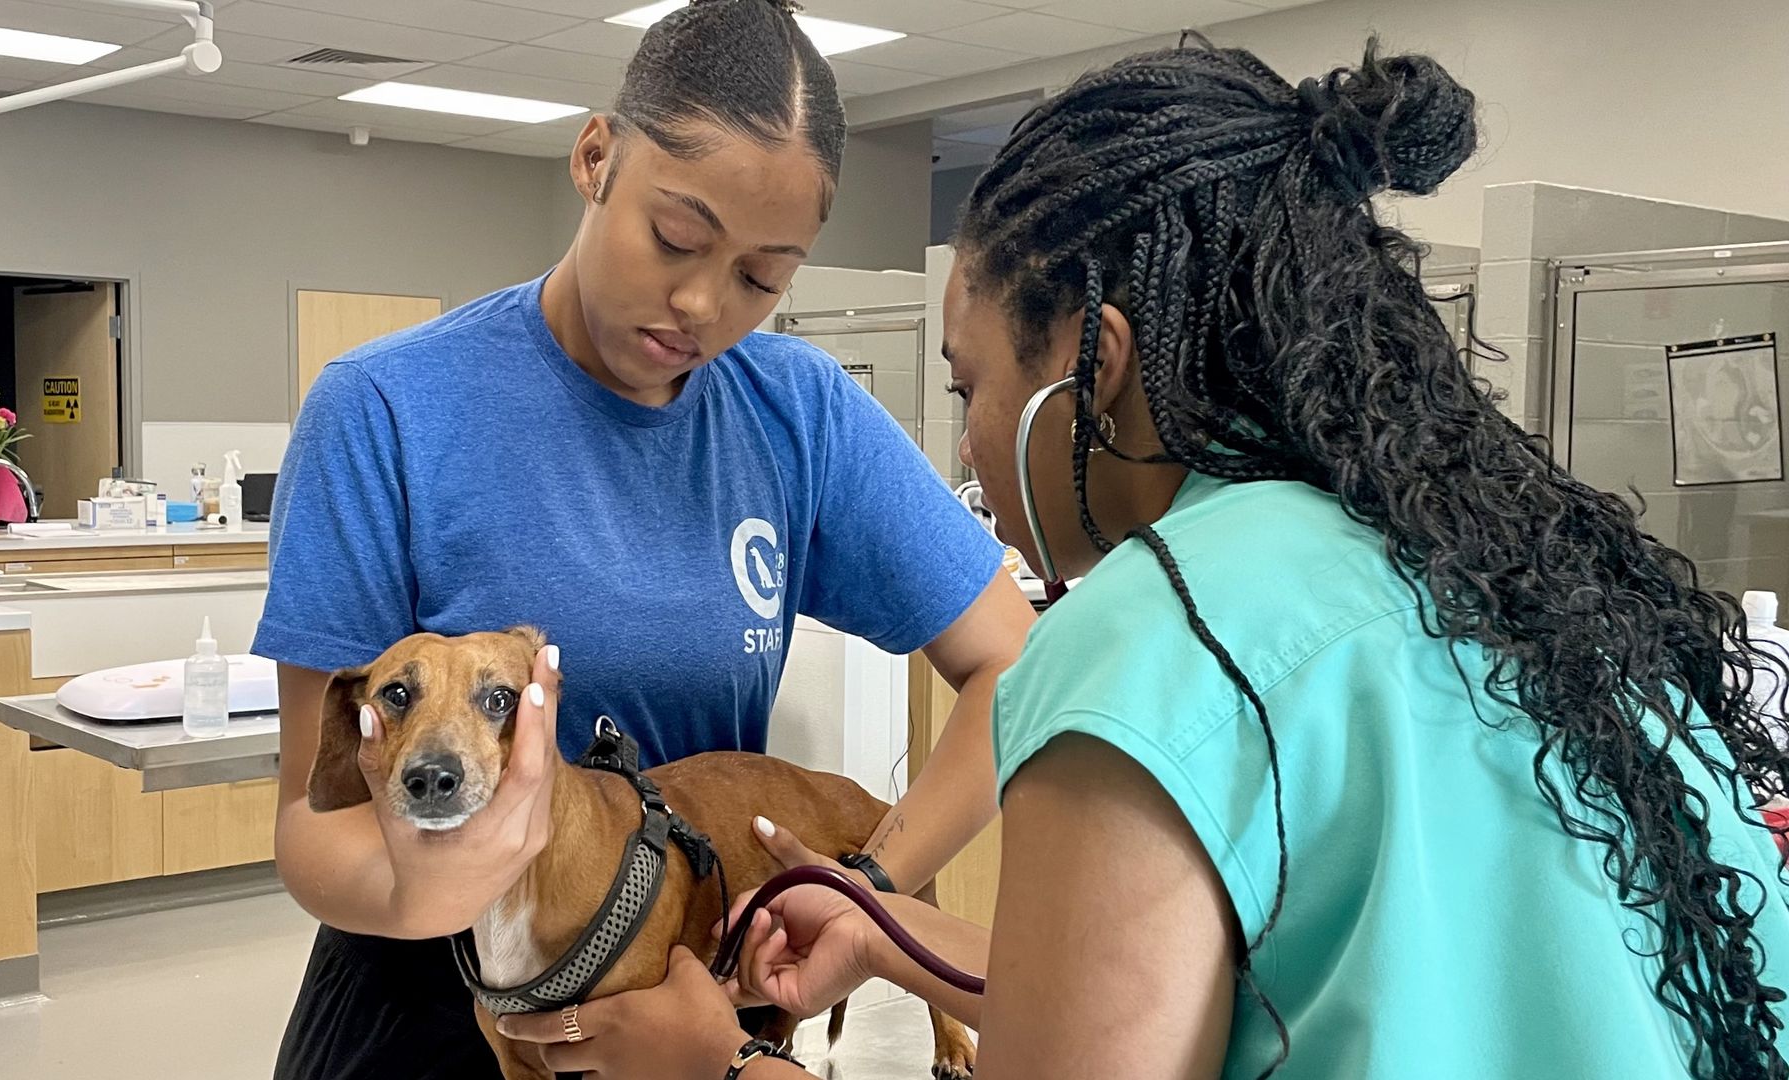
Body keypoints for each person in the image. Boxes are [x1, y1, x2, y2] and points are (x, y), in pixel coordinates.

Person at [496, 38, 1789, 1080]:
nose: (970, 452)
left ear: (1093, 370)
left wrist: (720, 1071)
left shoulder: (1152, 636)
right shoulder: (1521, 583)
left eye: (973, 386)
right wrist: (895, 935)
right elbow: (1275, 978)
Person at [253, 2, 1033, 1076]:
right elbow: (313, 817)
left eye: (764, 277)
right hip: (429, 1005)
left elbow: (1012, 660)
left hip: (694, 1005)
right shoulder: (387, 409)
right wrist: (441, 885)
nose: (703, 303)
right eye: (676, 237)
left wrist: (867, 892)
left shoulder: (796, 415)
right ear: (595, 157)